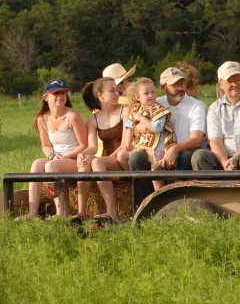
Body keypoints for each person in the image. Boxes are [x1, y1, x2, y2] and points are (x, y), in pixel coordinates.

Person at [128, 68, 206, 204]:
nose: (180, 88)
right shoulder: (155, 102)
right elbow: (133, 124)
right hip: (157, 151)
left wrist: (174, 149)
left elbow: (197, 140)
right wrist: (140, 127)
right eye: (175, 85)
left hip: (183, 151)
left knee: (186, 156)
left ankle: (182, 205)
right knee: (136, 158)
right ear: (164, 87)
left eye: (182, 84)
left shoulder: (196, 106)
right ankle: (144, 207)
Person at [24, 79, 88, 219]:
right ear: (46, 97)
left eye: (63, 93)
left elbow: (84, 145)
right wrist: (52, 156)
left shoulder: (72, 116)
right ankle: (32, 214)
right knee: (36, 164)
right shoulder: (42, 119)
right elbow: (46, 146)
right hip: (56, 159)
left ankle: (61, 212)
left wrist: (63, 158)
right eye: (55, 93)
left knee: (52, 166)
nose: (60, 96)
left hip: (75, 159)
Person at [192, 61, 240, 171]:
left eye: (237, 79)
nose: (235, 84)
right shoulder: (215, 108)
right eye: (230, 81)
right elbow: (215, 140)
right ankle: (208, 188)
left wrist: (236, 157)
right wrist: (225, 163)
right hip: (224, 156)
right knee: (199, 156)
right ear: (221, 84)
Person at [75, 77, 130, 223]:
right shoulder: (93, 119)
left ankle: (112, 212)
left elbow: (125, 143)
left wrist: (107, 158)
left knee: (97, 163)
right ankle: (81, 212)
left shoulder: (125, 111)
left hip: (122, 158)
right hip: (106, 160)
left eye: (117, 90)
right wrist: (82, 154)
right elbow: (92, 147)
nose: (117, 93)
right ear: (100, 96)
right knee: (86, 161)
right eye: (112, 90)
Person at [123, 77, 176, 191]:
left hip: (159, 146)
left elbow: (156, 128)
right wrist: (127, 141)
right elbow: (129, 126)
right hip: (143, 145)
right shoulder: (137, 110)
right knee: (126, 156)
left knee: (155, 173)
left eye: (153, 92)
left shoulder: (159, 110)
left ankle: (160, 196)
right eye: (146, 93)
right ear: (138, 97)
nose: (151, 95)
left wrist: (142, 119)